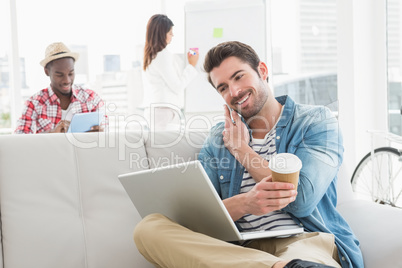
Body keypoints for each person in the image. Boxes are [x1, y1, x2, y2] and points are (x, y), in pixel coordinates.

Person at [133, 41, 364, 268]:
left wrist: (241, 150)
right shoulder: (218, 139)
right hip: (239, 251)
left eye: (239, 76)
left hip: (303, 242)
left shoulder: (314, 121)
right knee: (149, 228)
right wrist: (244, 203)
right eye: (223, 87)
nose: (234, 91)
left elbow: (301, 200)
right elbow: (202, 217)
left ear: (262, 71)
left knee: (302, 259)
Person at [14, 42, 104, 134]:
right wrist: (51, 133)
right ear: (46, 71)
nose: (67, 80)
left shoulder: (92, 99)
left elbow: (107, 135)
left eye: (71, 73)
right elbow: (19, 139)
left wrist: (100, 134)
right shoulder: (34, 104)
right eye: (59, 75)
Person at [142, 14, 199, 131]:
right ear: (162, 34)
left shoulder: (150, 55)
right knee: (167, 147)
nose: (172, 35)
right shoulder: (163, 55)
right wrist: (191, 66)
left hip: (158, 110)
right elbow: (177, 86)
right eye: (170, 32)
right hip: (164, 111)